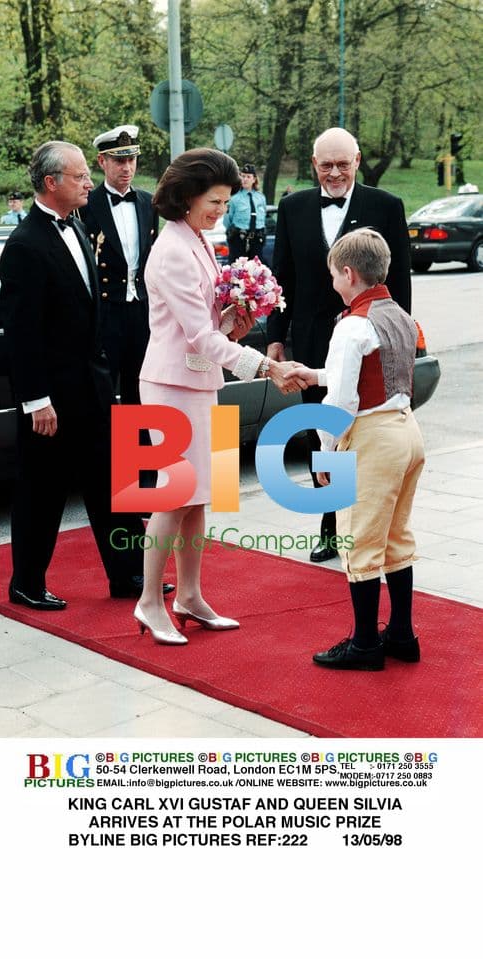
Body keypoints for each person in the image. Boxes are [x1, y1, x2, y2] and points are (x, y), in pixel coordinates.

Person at [136, 147, 303, 645]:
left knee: (202, 496)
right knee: (170, 498)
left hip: (200, 381)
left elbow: (209, 329)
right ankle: (149, 602)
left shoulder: (198, 240)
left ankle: (190, 595)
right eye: (214, 200)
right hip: (169, 386)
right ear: (186, 196)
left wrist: (235, 323)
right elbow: (196, 337)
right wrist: (264, 365)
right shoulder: (171, 249)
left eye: (227, 202)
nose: (220, 211)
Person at [0, 140, 152, 611]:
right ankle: (25, 582)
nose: (89, 182)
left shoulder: (80, 228)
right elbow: (20, 334)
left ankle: (127, 575)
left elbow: (93, 313)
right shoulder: (25, 245)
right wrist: (35, 400)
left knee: (113, 484)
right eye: (81, 175)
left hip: (94, 387)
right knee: (42, 491)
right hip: (53, 398)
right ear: (51, 183)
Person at [267, 127, 411, 564]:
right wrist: (276, 336)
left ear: (358, 161)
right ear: (314, 164)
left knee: (367, 431)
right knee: (322, 432)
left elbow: (399, 279)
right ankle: (331, 526)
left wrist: (399, 338)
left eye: (342, 164)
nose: (334, 173)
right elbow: (281, 279)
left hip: (370, 340)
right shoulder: (293, 208)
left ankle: (373, 523)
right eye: (325, 165)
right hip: (313, 340)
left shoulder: (386, 206)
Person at [284, 228, 425, 671]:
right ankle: (401, 634)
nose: (331, 283)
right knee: (397, 536)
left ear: (347, 273)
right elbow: (371, 370)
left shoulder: (351, 325)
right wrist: (314, 373)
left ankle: (365, 644)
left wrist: (324, 454)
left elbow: (343, 402)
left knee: (358, 539)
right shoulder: (397, 313)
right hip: (406, 430)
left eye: (332, 275)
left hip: (371, 438)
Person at [80, 124, 158, 406]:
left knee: (139, 390)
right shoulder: (85, 205)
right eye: (119, 161)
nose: (127, 168)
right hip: (104, 311)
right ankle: (105, 451)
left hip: (140, 310)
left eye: (131, 160)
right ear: (102, 162)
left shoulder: (149, 203)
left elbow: (152, 261)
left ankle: (135, 451)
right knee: (101, 391)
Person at [223, 163, 267, 263]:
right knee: (237, 269)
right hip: (239, 239)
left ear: (254, 179)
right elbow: (227, 220)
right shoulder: (234, 198)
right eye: (242, 176)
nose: (245, 179)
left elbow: (263, 217)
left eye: (248, 177)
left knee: (257, 269)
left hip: (257, 238)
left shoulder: (260, 197)